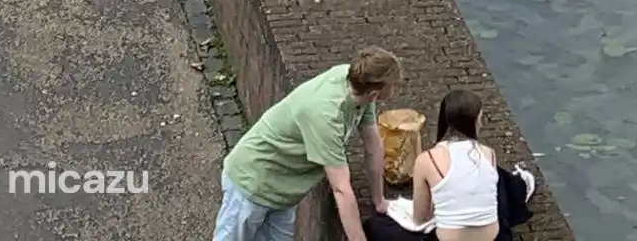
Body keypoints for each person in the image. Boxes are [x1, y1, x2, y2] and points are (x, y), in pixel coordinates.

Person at [212, 48, 400, 241]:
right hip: (251, 183)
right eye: (393, 85)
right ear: (375, 93)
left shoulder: (356, 85)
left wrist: (379, 201)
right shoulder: (327, 117)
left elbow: (373, 145)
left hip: (282, 192)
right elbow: (341, 189)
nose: (396, 88)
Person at [410, 91, 499, 241]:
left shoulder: (426, 159)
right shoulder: (489, 154)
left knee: (378, 226)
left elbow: (420, 217)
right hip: (492, 237)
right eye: (480, 119)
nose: (482, 124)